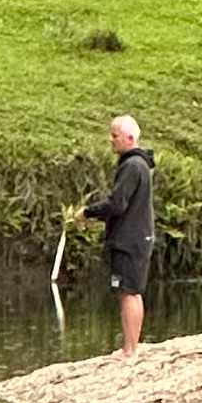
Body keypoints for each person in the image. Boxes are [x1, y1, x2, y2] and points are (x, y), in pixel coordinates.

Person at [79, 113, 157, 353]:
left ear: (130, 137)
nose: (110, 140)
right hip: (136, 236)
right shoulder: (137, 164)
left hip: (130, 239)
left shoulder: (133, 166)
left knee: (128, 292)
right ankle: (131, 345)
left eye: (115, 136)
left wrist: (88, 213)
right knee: (131, 291)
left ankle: (130, 349)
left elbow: (117, 203)